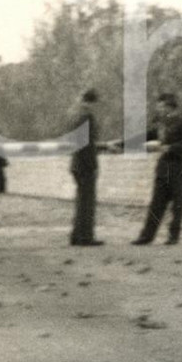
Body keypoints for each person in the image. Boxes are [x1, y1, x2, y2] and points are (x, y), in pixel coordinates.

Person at [132, 93, 182, 246]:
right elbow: (143, 136)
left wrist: (170, 148)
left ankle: (173, 237)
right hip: (163, 170)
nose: (159, 110)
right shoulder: (160, 126)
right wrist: (121, 143)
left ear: (170, 107)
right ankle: (146, 236)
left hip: (178, 169)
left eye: (161, 107)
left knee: (178, 207)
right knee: (156, 205)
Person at [69, 89, 103, 247]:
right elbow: (87, 146)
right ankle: (86, 236)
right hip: (86, 165)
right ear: (92, 103)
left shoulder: (76, 117)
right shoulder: (87, 118)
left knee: (81, 201)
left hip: (77, 164)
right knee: (87, 202)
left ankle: (77, 235)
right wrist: (94, 166)